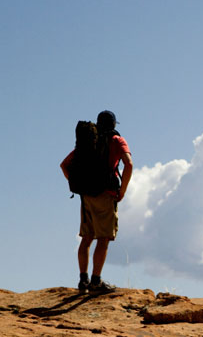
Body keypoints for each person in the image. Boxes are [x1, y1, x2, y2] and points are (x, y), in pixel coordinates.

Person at [61, 110, 133, 293]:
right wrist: (122, 191)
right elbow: (129, 164)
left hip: (86, 196)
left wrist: (78, 185)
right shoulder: (117, 141)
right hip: (105, 194)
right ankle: (96, 282)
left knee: (86, 238)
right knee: (103, 238)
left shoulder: (89, 141)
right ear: (114, 125)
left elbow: (64, 164)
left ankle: (83, 281)